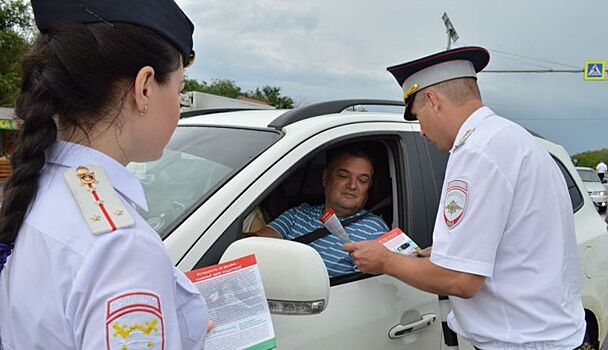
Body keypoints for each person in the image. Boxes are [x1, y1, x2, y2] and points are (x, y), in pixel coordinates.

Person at [344, 46, 586, 349]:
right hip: (548, 336)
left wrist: (385, 261)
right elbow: (515, 239)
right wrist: (453, 251)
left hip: (519, 342)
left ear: (433, 100)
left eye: (418, 117)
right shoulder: (516, 139)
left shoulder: (475, 153)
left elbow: (460, 280)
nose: (421, 131)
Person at [0, 1, 210, 348]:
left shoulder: (35, 191)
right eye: (179, 88)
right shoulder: (122, 249)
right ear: (144, 88)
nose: (179, 103)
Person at [249, 144, 389, 277]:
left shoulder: (375, 229)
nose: (352, 185)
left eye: (362, 180)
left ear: (368, 187)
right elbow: (255, 243)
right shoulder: (299, 214)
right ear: (325, 178)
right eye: (343, 176)